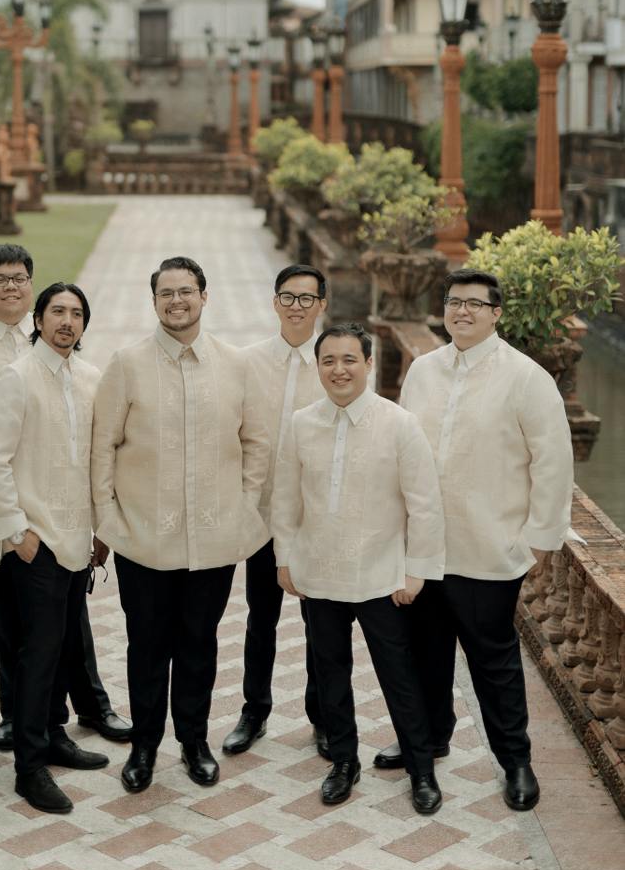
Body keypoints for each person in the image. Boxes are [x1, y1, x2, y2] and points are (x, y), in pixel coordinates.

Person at [373, 269, 574, 813]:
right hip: (424, 548)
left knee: (494, 662)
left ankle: (516, 761)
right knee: (425, 653)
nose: (461, 312)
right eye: (453, 302)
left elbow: (553, 462)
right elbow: (401, 447)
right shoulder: (423, 371)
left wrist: (535, 541)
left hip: (488, 547)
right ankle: (430, 739)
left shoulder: (526, 378)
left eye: (474, 304)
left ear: (496, 312)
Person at [91, 255, 270, 794]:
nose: (177, 301)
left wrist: (242, 507)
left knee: (200, 642)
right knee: (146, 644)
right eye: (166, 293)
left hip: (212, 540)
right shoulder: (126, 363)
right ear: (154, 301)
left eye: (186, 291)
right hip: (144, 539)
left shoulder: (236, 364)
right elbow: (103, 447)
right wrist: (108, 519)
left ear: (204, 297)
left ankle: (194, 740)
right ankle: (145, 745)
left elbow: (256, 444)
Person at [273, 324, 445, 813]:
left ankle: (421, 769)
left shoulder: (399, 424)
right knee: (330, 672)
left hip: (382, 576)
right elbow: (285, 499)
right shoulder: (302, 423)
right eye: (329, 360)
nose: (339, 369)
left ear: (368, 364)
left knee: (399, 675)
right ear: (319, 367)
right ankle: (343, 762)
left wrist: (416, 573)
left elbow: (425, 505)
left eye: (350, 359)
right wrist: (285, 557)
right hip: (320, 572)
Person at [0, 244, 129, 755]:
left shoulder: (81, 369)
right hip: (8, 509)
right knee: (17, 623)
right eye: (0, 279)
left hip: (64, 515)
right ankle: (21, 720)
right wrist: (14, 527)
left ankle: (83, 707)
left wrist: (101, 523)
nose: (11, 286)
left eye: (20, 278)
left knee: (64, 623)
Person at [0, 282, 107, 813]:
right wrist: (17, 531)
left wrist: (101, 530)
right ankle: (28, 768)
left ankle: (54, 736)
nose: (67, 322)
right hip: (36, 542)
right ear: (38, 318)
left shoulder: (91, 378)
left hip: (78, 538)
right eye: (57, 311)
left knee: (59, 650)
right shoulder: (17, 377)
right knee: (35, 655)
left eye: (76, 314)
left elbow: (97, 461)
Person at [223, 264, 328, 758]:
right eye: (288, 297)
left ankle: (322, 714)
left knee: (318, 621)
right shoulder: (246, 363)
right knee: (259, 616)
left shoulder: (335, 362)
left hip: (314, 517)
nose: (296, 307)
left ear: (322, 305)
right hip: (262, 513)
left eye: (307, 299)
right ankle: (254, 710)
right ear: (274, 302)